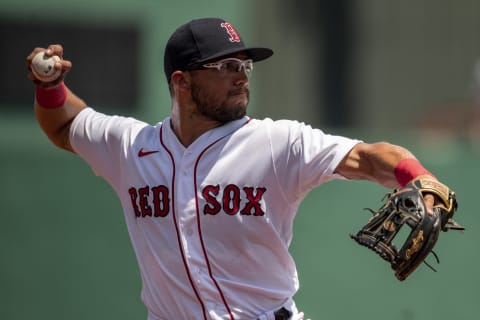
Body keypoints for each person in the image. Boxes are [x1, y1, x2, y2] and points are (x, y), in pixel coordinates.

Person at [27, 18, 446, 320]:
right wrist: (50, 88)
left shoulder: (276, 143)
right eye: (226, 66)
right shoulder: (130, 146)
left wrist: (419, 177)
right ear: (182, 81)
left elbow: (369, 157)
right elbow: (65, 125)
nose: (242, 77)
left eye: (244, 66)